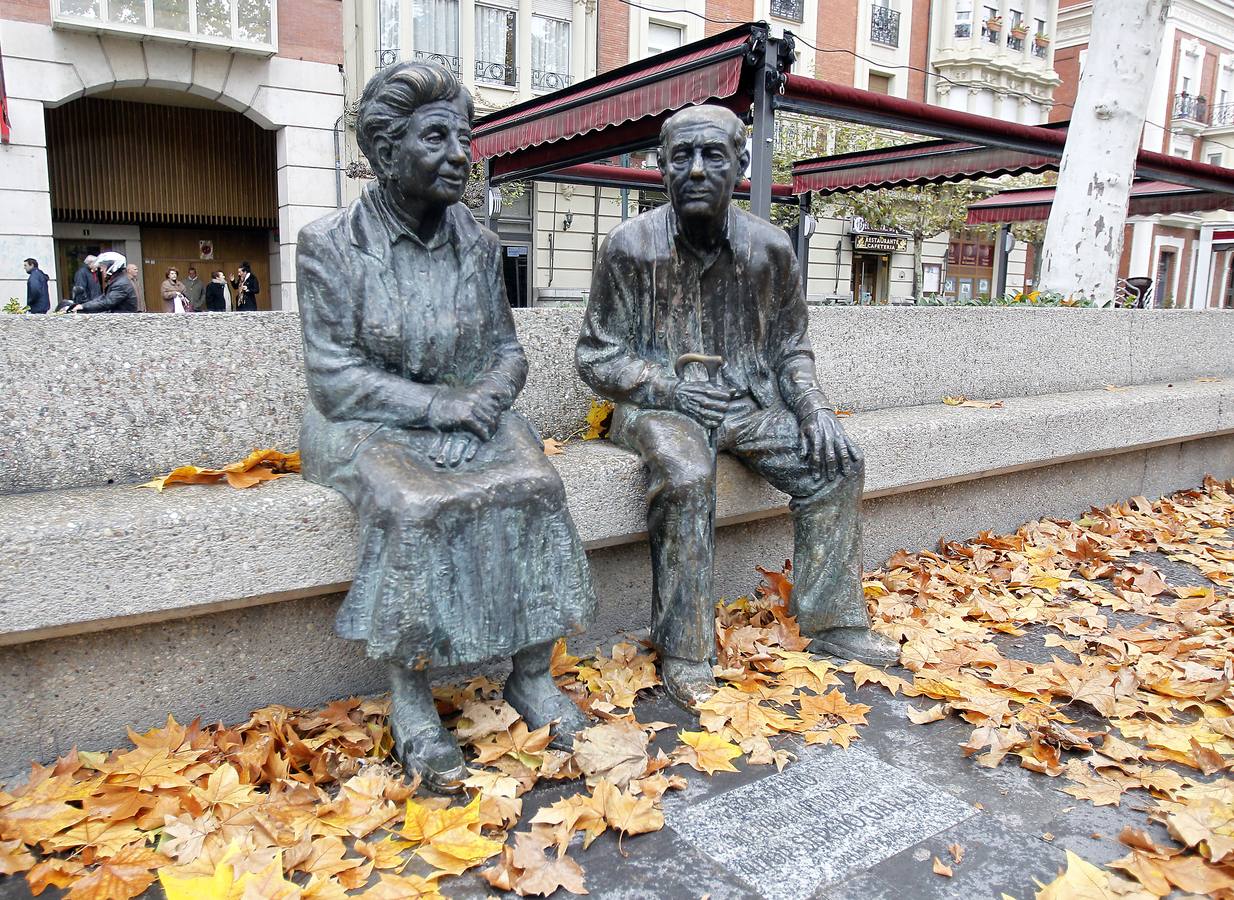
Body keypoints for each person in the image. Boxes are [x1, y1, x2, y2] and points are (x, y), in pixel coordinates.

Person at [297, 61, 596, 791]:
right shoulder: (330, 244)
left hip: (473, 412)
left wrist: (482, 406)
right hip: (366, 422)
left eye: (464, 138)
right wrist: (439, 410)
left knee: (534, 483)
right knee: (416, 505)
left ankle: (530, 673)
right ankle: (410, 701)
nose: (461, 154)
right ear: (387, 149)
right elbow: (334, 377)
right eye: (438, 139)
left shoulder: (481, 244)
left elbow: (505, 352)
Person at [578, 105, 898, 711]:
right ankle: (684, 649)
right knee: (686, 474)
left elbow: (790, 348)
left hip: (749, 404)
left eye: (713, 156)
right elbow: (596, 356)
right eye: (682, 158)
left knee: (835, 463)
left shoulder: (771, 248)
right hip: (656, 406)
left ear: (741, 166)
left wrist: (812, 408)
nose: (696, 171)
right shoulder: (629, 247)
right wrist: (668, 387)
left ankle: (832, 623)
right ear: (662, 167)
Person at [72, 251, 139, 313]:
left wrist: (83, 307)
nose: (101, 270)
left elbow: (107, 303)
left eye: (103, 267)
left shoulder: (121, 284)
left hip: (124, 322)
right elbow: (102, 298)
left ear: (112, 266)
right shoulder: (117, 281)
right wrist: (83, 305)